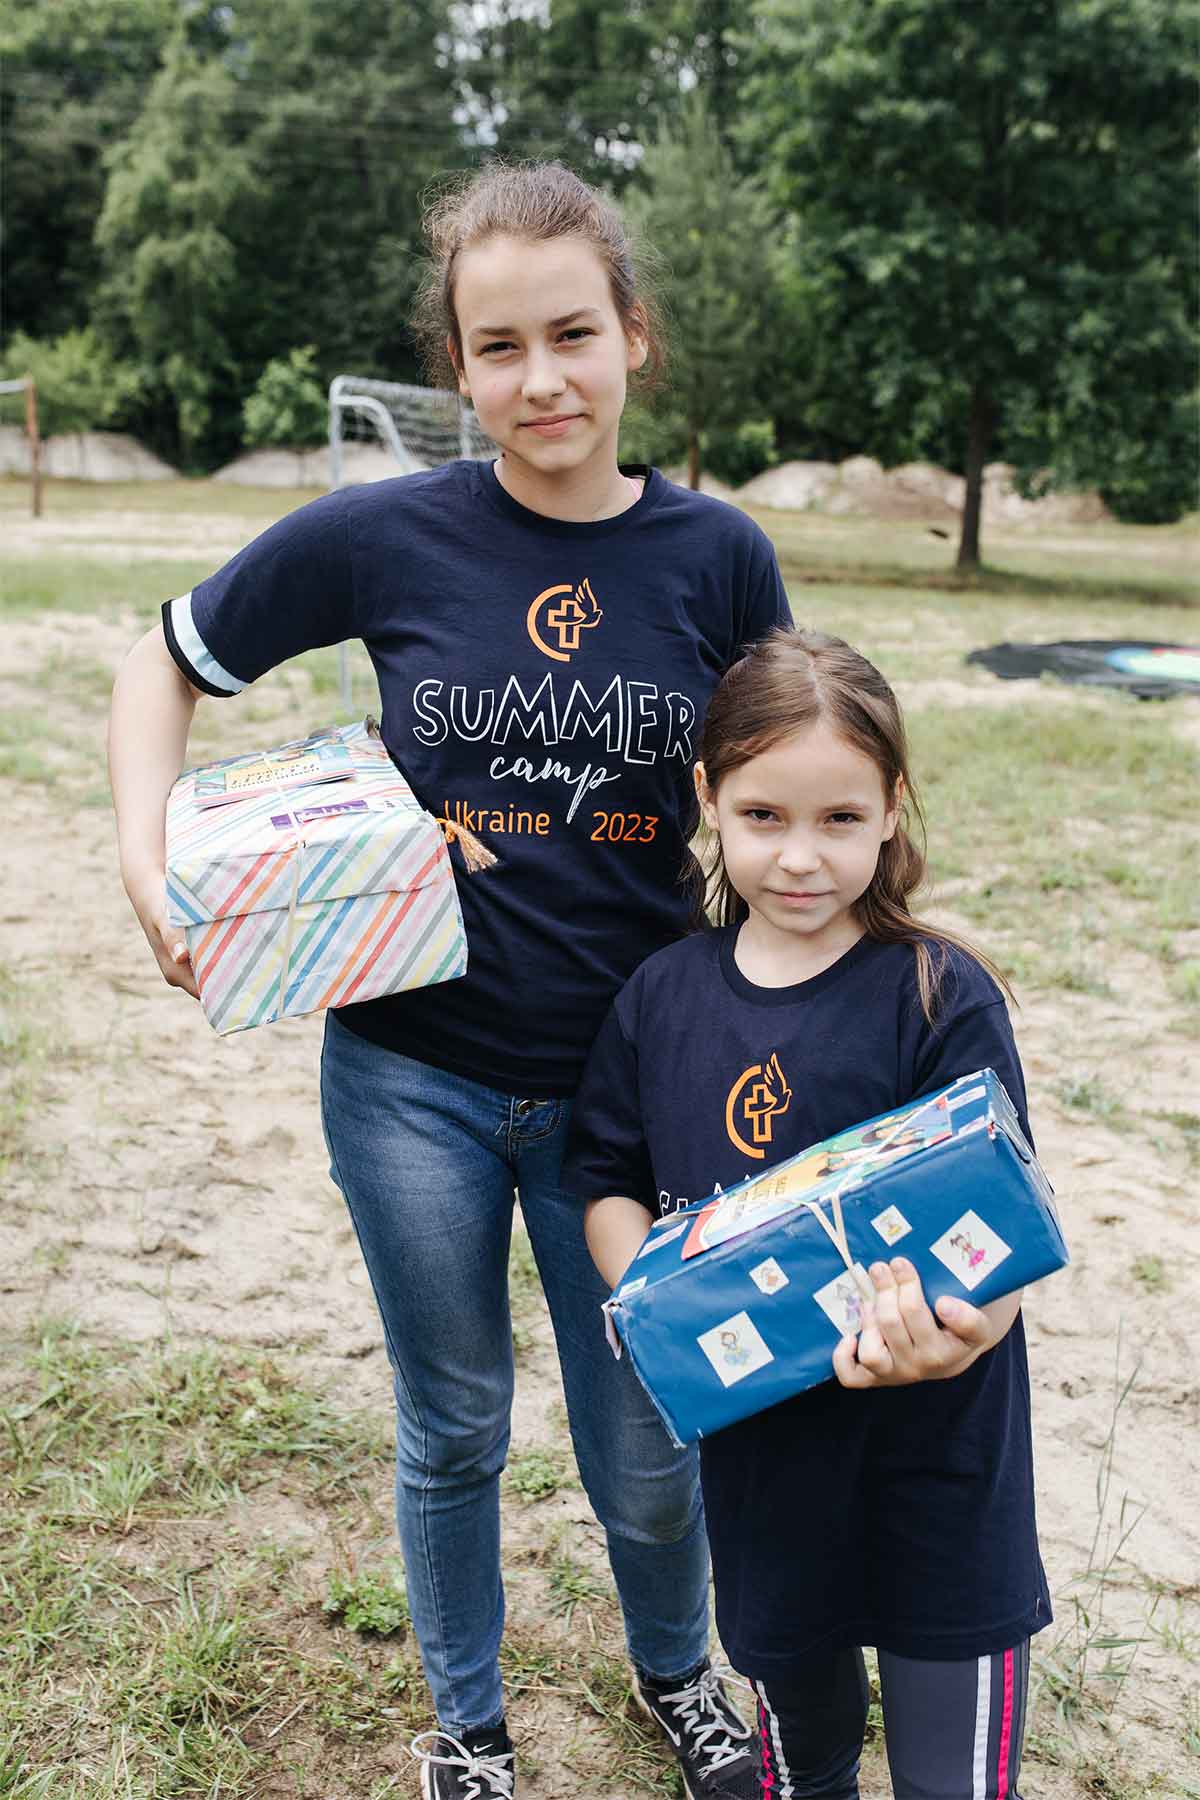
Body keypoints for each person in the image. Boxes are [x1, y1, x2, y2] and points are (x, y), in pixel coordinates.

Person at [107, 161, 791, 1800]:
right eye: (499, 347)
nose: (541, 379)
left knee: (649, 1436)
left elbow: (786, 785)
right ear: (457, 366)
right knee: (457, 1425)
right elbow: (163, 662)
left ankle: (679, 1675)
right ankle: (468, 1731)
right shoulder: (385, 535)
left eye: (573, 334)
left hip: (630, 1096)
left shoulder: (719, 556)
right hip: (410, 1079)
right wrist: (149, 858)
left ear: (634, 337)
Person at [566, 628, 1052, 1799]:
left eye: (839, 818)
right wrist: (653, 1297)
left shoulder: (939, 993)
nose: (799, 857)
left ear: (892, 808)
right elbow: (607, 1176)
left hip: (942, 1476)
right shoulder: (662, 997)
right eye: (762, 816)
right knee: (804, 1765)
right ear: (708, 801)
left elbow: (1006, 1226)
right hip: (769, 1482)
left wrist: (960, 1336)